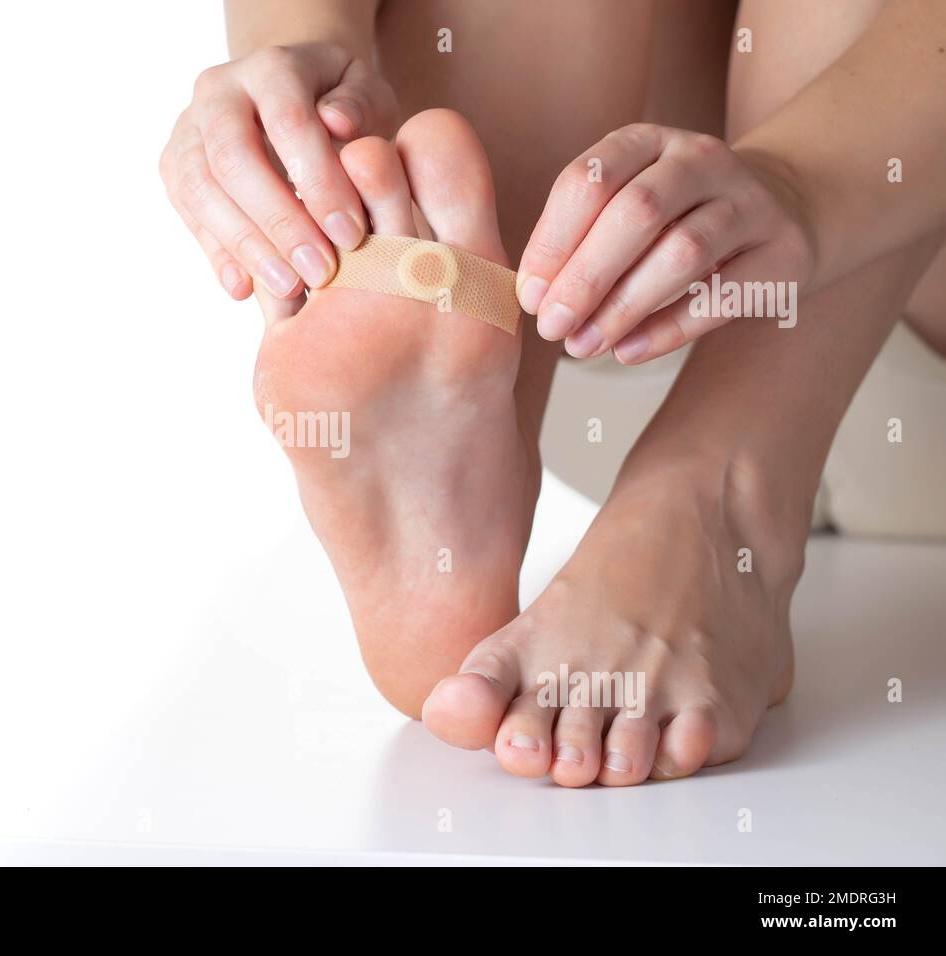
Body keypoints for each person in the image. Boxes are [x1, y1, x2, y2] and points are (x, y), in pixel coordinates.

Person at [159, 0, 946, 786]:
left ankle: (716, 495)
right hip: (624, 311)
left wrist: (803, 184)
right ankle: (485, 398)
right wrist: (300, 61)